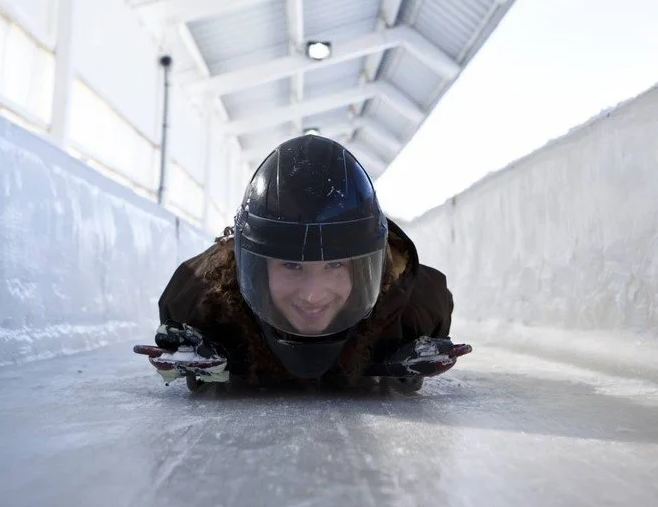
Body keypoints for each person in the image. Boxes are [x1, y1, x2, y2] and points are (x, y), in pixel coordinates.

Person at [134, 134, 471, 391]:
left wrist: (395, 360)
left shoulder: (417, 304)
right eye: (291, 265)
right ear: (254, 266)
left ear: (367, 268)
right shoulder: (196, 298)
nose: (312, 295)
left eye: (335, 265)